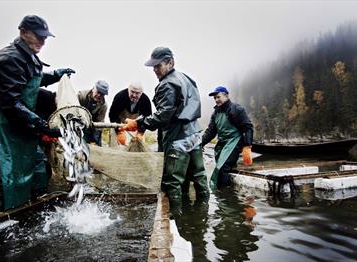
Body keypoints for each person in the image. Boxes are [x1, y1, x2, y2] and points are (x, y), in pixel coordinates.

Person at [0, 15, 75, 217]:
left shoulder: (27, 57)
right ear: (22, 32)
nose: (43, 41)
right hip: (0, 126)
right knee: (2, 177)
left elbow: (31, 80)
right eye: (38, 36)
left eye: (45, 37)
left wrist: (55, 75)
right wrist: (42, 125)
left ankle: (31, 212)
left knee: (39, 168)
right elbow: (11, 102)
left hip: (20, 125)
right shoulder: (5, 59)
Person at [121, 46, 209, 206]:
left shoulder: (167, 84)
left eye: (158, 65)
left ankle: (175, 219)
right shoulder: (186, 78)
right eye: (153, 66)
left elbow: (163, 116)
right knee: (199, 176)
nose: (154, 69)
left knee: (172, 182)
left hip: (178, 139)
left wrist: (138, 123)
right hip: (195, 135)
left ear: (170, 62)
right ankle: (202, 215)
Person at [201, 86, 253, 188]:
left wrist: (247, 146)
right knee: (224, 167)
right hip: (222, 144)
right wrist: (200, 143)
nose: (216, 100)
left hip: (235, 142)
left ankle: (224, 196)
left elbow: (247, 127)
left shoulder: (236, 109)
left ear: (226, 96)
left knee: (222, 168)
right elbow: (210, 132)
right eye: (215, 98)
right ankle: (231, 190)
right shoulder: (215, 113)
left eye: (218, 97)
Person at [77, 80, 109, 146]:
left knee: (97, 143)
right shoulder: (81, 96)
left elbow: (100, 121)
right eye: (98, 92)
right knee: (82, 143)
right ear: (93, 89)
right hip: (78, 123)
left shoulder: (104, 105)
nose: (99, 95)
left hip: (92, 126)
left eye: (102, 94)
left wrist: (96, 140)